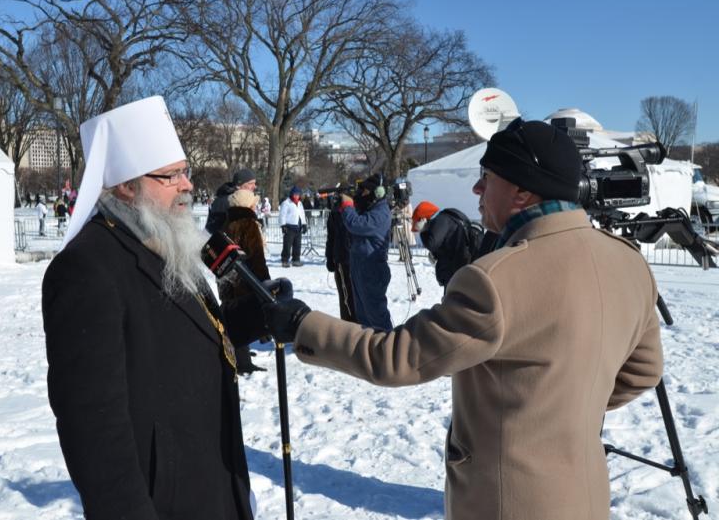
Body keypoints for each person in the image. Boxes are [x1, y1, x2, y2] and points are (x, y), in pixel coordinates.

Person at [262, 119, 664, 520]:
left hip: (508, 504)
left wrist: (301, 323)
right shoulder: (630, 262)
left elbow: (395, 358)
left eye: (487, 178)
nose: (477, 189)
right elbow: (644, 372)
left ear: (522, 191)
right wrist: (567, 412)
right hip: (587, 498)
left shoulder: (496, 279)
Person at [42, 96, 254, 520]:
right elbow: (94, 430)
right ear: (126, 186)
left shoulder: (166, 241)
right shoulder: (86, 269)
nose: (187, 185)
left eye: (185, 171)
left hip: (214, 483)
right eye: (171, 175)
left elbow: (192, 332)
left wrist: (257, 315)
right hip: (165, 503)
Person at [218, 188, 269, 374]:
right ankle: (243, 362)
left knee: (235, 317)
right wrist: (265, 282)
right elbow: (257, 257)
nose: (255, 206)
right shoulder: (248, 224)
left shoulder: (226, 222)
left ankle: (240, 356)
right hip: (247, 279)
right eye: (253, 203)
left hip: (228, 279)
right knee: (245, 319)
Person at [339, 174, 392, 330]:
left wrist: (348, 206)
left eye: (366, 191)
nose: (362, 194)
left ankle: (386, 342)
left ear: (378, 193)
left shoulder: (381, 212)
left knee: (376, 316)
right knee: (363, 316)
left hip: (372, 269)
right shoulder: (370, 209)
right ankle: (369, 343)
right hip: (361, 267)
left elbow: (356, 224)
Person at [411, 200, 485, 289]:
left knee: (454, 293)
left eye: (416, 222)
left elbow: (431, 244)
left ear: (423, 219)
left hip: (457, 266)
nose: (415, 227)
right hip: (459, 264)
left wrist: (423, 231)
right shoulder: (445, 217)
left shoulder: (441, 220)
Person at [324, 196, 356, 322]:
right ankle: (349, 322)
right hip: (342, 258)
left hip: (355, 259)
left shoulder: (359, 209)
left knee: (352, 296)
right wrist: (329, 257)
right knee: (346, 296)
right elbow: (331, 237)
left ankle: (354, 322)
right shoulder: (335, 212)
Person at [205, 168, 257, 234]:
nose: (255, 187)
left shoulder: (243, 200)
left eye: (254, 183)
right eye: (251, 183)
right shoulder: (227, 201)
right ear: (239, 185)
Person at [279, 185, 307, 267]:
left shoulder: (300, 203)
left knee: (297, 245)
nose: (296, 196)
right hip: (289, 227)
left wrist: (304, 224)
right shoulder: (286, 203)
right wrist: (283, 225)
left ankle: (296, 259)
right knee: (287, 245)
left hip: (298, 227)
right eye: (295, 194)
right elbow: (282, 215)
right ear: (291, 194)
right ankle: (285, 260)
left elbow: (302, 214)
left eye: (298, 194)